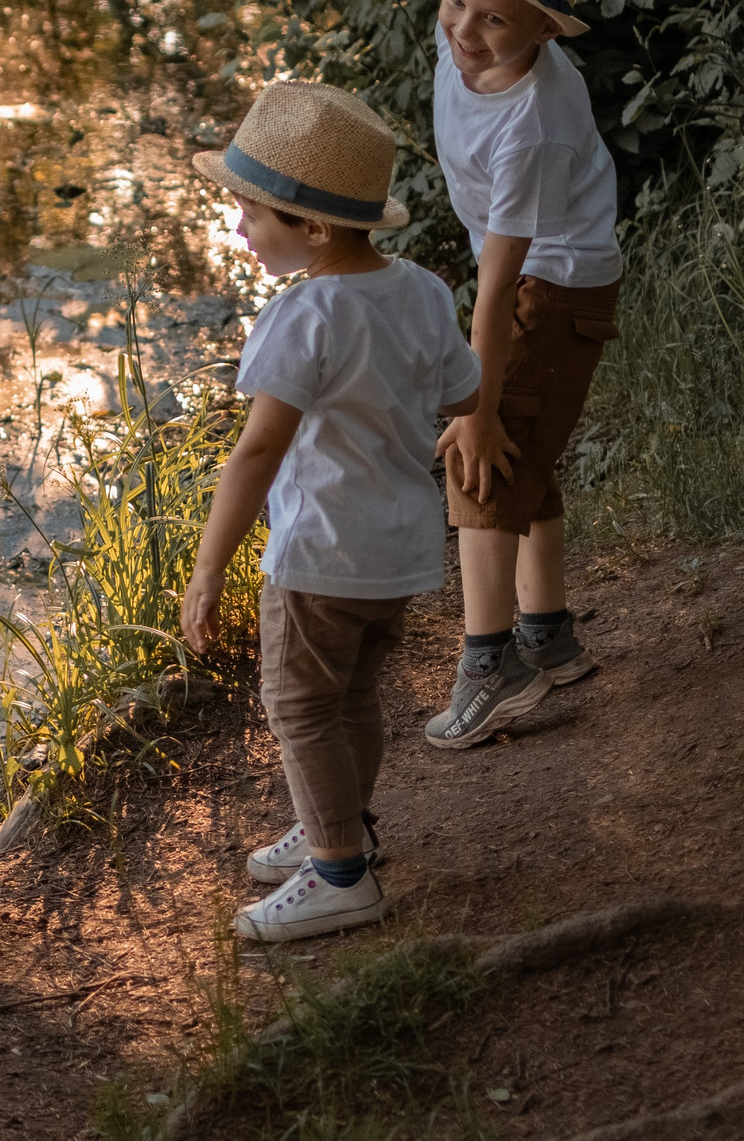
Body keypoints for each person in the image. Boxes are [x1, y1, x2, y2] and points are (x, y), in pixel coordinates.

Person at [180, 81, 482, 942]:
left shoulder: (302, 314)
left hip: (321, 556)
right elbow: (464, 390)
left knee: (301, 704)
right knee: (352, 695)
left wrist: (209, 568)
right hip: (400, 550)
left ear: (312, 229)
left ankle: (340, 873)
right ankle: (341, 826)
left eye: (251, 215)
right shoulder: (421, 290)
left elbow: (256, 453)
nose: (239, 228)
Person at [421, 0, 622, 750]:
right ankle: (547, 634)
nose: (466, 31)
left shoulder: (536, 123)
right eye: (457, 2)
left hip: (555, 283)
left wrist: (476, 403)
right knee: (525, 450)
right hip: (526, 273)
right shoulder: (460, 38)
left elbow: (501, 285)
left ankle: (492, 662)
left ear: (543, 29)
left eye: (496, 20)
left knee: (485, 462)